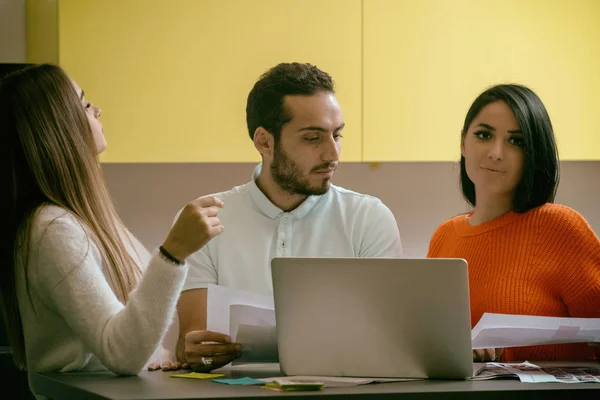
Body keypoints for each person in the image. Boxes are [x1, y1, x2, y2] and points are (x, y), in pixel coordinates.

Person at [0, 64, 224, 398]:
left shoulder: (87, 223)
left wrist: (165, 358)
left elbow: (127, 342)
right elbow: (121, 353)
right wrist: (173, 252)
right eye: (84, 104)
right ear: (58, 126)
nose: (97, 110)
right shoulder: (53, 229)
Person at [174, 62, 404, 371]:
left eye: (337, 135)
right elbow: (192, 345)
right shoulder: (205, 222)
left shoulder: (369, 219)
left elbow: (388, 342)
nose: (333, 154)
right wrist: (198, 355)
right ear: (264, 141)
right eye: (313, 138)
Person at [427, 83, 600, 362]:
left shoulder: (561, 229)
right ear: (463, 142)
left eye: (516, 141)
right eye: (484, 135)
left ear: (534, 153)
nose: (496, 152)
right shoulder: (444, 237)